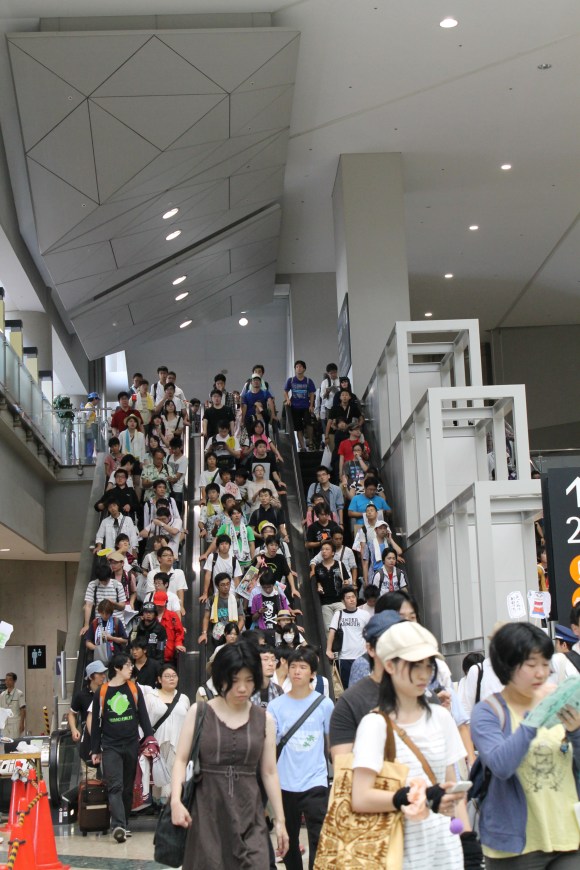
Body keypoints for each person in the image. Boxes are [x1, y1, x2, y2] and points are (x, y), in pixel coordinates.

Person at [351, 621, 467, 869]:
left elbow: (451, 787)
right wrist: (411, 797)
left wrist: (468, 842)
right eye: (415, 665)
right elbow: (360, 798)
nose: (424, 674)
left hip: (446, 853)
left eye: (428, 665)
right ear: (390, 665)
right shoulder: (375, 725)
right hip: (397, 855)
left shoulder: (441, 717)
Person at [471, 622, 580, 867]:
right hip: (516, 848)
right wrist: (536, 715)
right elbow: (501, 765)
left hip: (569, 836)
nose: (541, 673)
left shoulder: (559, 700)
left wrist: (576, 733)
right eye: (531, 665)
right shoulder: (488, 712)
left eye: (545, 664)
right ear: (507, 665)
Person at [170, 643, 289, 867]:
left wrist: (280, 820)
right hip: (206, 814)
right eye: (235, 680)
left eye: (249, 680)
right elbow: (181, 760)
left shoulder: (265, 720)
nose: (242, 688)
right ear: (221, 678)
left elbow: (270, 772)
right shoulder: (199, 712)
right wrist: (176, 801)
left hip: (250, 814)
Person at [268, 647, 334, 869]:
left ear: (312, 673)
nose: (297, 671)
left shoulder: (324, 704)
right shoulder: (276, 706)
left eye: (303, 667)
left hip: (315, 781)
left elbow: (331, 743)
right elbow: (271, 746)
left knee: (319, 838)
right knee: (288, 839)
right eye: (293, 666)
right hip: (285, 783)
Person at [90, 654, 156, 843]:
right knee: (115, 786)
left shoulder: (134, 689)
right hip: (110, 746)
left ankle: (124, 823)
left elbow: (143, 716)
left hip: (131, 744)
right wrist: (95, 749)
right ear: (117, 668)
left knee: (127, 788)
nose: (131, 668)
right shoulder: (102, 692)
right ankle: (118, 825)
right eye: (127, 665)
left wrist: (150, 739)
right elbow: (96, 723)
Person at [141, 664, 190, 803]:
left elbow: (188, 723)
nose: (171, 679)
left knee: (175, 779)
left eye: (174, 676)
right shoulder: (151, 697)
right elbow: (144, 722)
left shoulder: (183, 698)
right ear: (159, 679)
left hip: (178, 745)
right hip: (157, 745)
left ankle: (171, 805)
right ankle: (160, 805)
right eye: (167, 676)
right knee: (158, 779)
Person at [326, 586, 370, 688]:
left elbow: (370, 633)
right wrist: (328, 650)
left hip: (362, 656)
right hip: (344, 657)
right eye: (348, 598)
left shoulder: (365, 614)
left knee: (363, 687)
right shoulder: (338, 614)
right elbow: (332, 632)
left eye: (353, 597)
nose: (352, 600)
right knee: (348, 688)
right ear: (343, 601)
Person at [311, 540, 351, 632]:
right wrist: (319, 586)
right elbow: (318, 581)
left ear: (333, 552)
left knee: (343, 627)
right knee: (328, 629)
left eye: (327, 549)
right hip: (325, 603)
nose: (324, 551)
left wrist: (346, 583)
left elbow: (346, 580)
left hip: (339, 601)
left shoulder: (339, 564)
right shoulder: (318, 567)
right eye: (322, 549)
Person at [199, 573, 245, 651]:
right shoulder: (211, 600)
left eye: (228, 584)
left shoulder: (236, 600)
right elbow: (206, 618)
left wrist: (234, 633)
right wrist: (204, 633)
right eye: (222, 585)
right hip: (217, 636)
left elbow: (241, 619)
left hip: (232, 636)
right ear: (217, 586)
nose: (226, 587)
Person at [284, 360, 316, 451]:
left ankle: (310, 442)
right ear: (295, 369)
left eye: (301, 366)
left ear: (304, 369)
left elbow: (312, 393)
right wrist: (287, 399)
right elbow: (285, 391)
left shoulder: (308, 381)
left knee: (309, 423)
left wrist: (311, 405)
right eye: (297, 367)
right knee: (298, 428)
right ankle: (302, 446)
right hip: (295, 407)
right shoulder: (291, 380)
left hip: (306, 406)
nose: (299, 368)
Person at [0, 673, 26, 740]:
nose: (7, 682)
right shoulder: (2, 695)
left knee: (14, 742)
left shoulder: (19, 694)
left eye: (10, 680)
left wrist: (22, 723)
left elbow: (23, 709)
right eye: (6, 680)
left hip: (15, 723)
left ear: (14, 681)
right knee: (6, 743)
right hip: (5, 724)